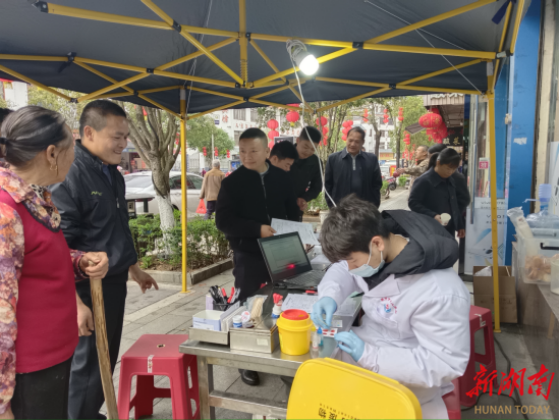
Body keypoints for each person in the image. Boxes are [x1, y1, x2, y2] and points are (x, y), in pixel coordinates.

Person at [312, 195, 470, 419]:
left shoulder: (439, 291)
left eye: (353, 262)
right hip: (370, 345)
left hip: (407, 378)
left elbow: (443, 363)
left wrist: (369, 356)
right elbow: (342, 269)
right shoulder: (376, 254)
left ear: (377, 243)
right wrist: (329, 296)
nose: (351, 268)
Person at [51, 100, 159, 420]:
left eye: (126, 136)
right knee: (88, 364)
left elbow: (115, 227)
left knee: (105, 357)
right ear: (89, 133)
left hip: (113, 282)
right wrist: (75, 304)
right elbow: (58, 245)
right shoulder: (71, 172)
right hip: (86, 287)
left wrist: (134, 268)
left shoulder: (111, 172)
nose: (123, 144)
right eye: (117, 137)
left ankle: (88, 413)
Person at [0, 106, 109, 419]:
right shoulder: (6, 211)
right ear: (51, 153)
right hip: (28, 372)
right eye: (72, 146)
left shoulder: (35, 198)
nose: (75, 155)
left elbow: (37, 258)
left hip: (53, 357)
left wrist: (79, 262)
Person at [216, 128, 299, 386]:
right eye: (242, 151)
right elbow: (223, 221)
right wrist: (256, 229)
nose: (247, 156)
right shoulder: (232, 183)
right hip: (248, 253)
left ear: (266, 151)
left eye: (253, 151)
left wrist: (297, 234)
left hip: (281, 249)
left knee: (281, 301)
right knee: (249, 305)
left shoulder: (282, 178)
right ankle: (247, 361)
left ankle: (284, 358)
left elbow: (292, 211)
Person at [408, 148, 469, 238]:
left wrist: (459, 225)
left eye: (453, 169)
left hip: (448, 229)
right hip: (428, 229)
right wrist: (433, 215)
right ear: (438, 163)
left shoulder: (450, 180)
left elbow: (454, 203)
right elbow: (413, 203)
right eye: (448, 168)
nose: (450, 172)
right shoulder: (424, 180)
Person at [325, 127, 382, 207]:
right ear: (346, 139)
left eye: (357, 142)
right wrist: (332, 206)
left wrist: (374, 205)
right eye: (350, 140)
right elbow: (328, 185)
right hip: (340, 208)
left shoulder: (371, 159)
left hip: (365, 208)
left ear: (362, 142)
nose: (352, 144)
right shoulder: (333, 159)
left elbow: (377, 184)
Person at [289, 127, 323, 216]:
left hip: (297, 207)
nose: (308, 152)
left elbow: (316, 187)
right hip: (276, 204)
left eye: (313, 149)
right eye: (305, 147)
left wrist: (304, 198)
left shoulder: (315, 162)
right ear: (298, 140)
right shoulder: (283, 154)